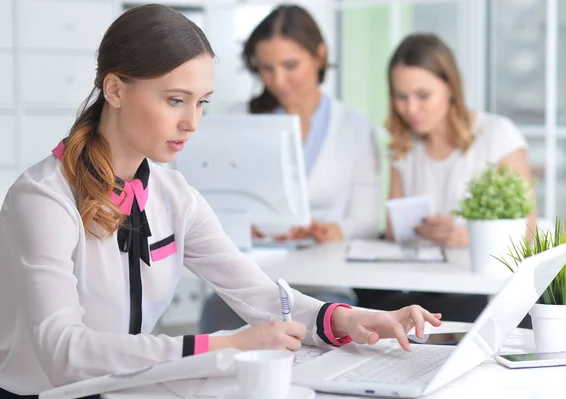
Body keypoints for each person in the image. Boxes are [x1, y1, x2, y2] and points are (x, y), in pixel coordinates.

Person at [0, 6, 441, 396]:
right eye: (176, 100)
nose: (192, 122)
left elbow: (258, 294)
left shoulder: (174, 196)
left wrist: (346, 319)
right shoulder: (42, 199)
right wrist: (226, 346)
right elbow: (64, 352)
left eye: (201, 102)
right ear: (114, 90)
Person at [199, 4, 382, 333]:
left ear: (320, 56)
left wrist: (330, 229)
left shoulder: (353, 126)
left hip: (324, 285)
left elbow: (368, 221)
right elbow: (210, 207)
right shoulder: (238, 120)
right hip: (250, 286)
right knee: (219, 333)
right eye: (266, 68)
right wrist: (243, 226)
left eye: (290, 65)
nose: (278, 80)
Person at [358, 33, 535, 322]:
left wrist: (464, 235)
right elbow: (392, 232)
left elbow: (526, 233)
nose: (411, 109)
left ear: (451, 87)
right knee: (368, 309)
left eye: (423, 95)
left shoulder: (497, 135)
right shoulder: (403, 145)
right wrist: (423, 229)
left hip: (482, 290)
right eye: (400, 97)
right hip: (426, 285)